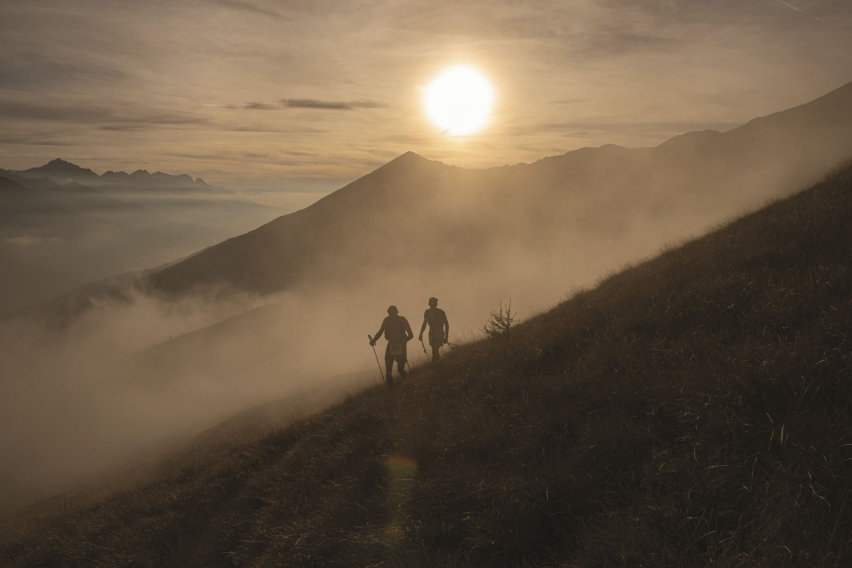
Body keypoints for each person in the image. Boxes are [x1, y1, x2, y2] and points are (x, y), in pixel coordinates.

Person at [370, 305, 413, 388]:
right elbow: (380, 332)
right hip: (392, 345)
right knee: (388, 369)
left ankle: (406, 383)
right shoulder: (387, 321)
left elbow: (411, 335)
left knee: (400, 369)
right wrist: (374, 340)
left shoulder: (402, 320)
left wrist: (403, 342)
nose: (391, 314)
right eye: (390, 312)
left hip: (400, 345)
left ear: (396, 312)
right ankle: (391, 388)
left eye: (392, 312)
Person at [419, 296, 449, 362]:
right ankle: (437, 361)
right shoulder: (427, 312)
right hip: (432, 332)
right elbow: (424, 323)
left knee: (435, 348)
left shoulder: (440, 312)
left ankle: (436, 361)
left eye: (433, 303)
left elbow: (446, 324)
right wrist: (420, 334)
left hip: (439, 332)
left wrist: (446, 336)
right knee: (434, 348)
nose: (432, 305)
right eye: (432, 303)